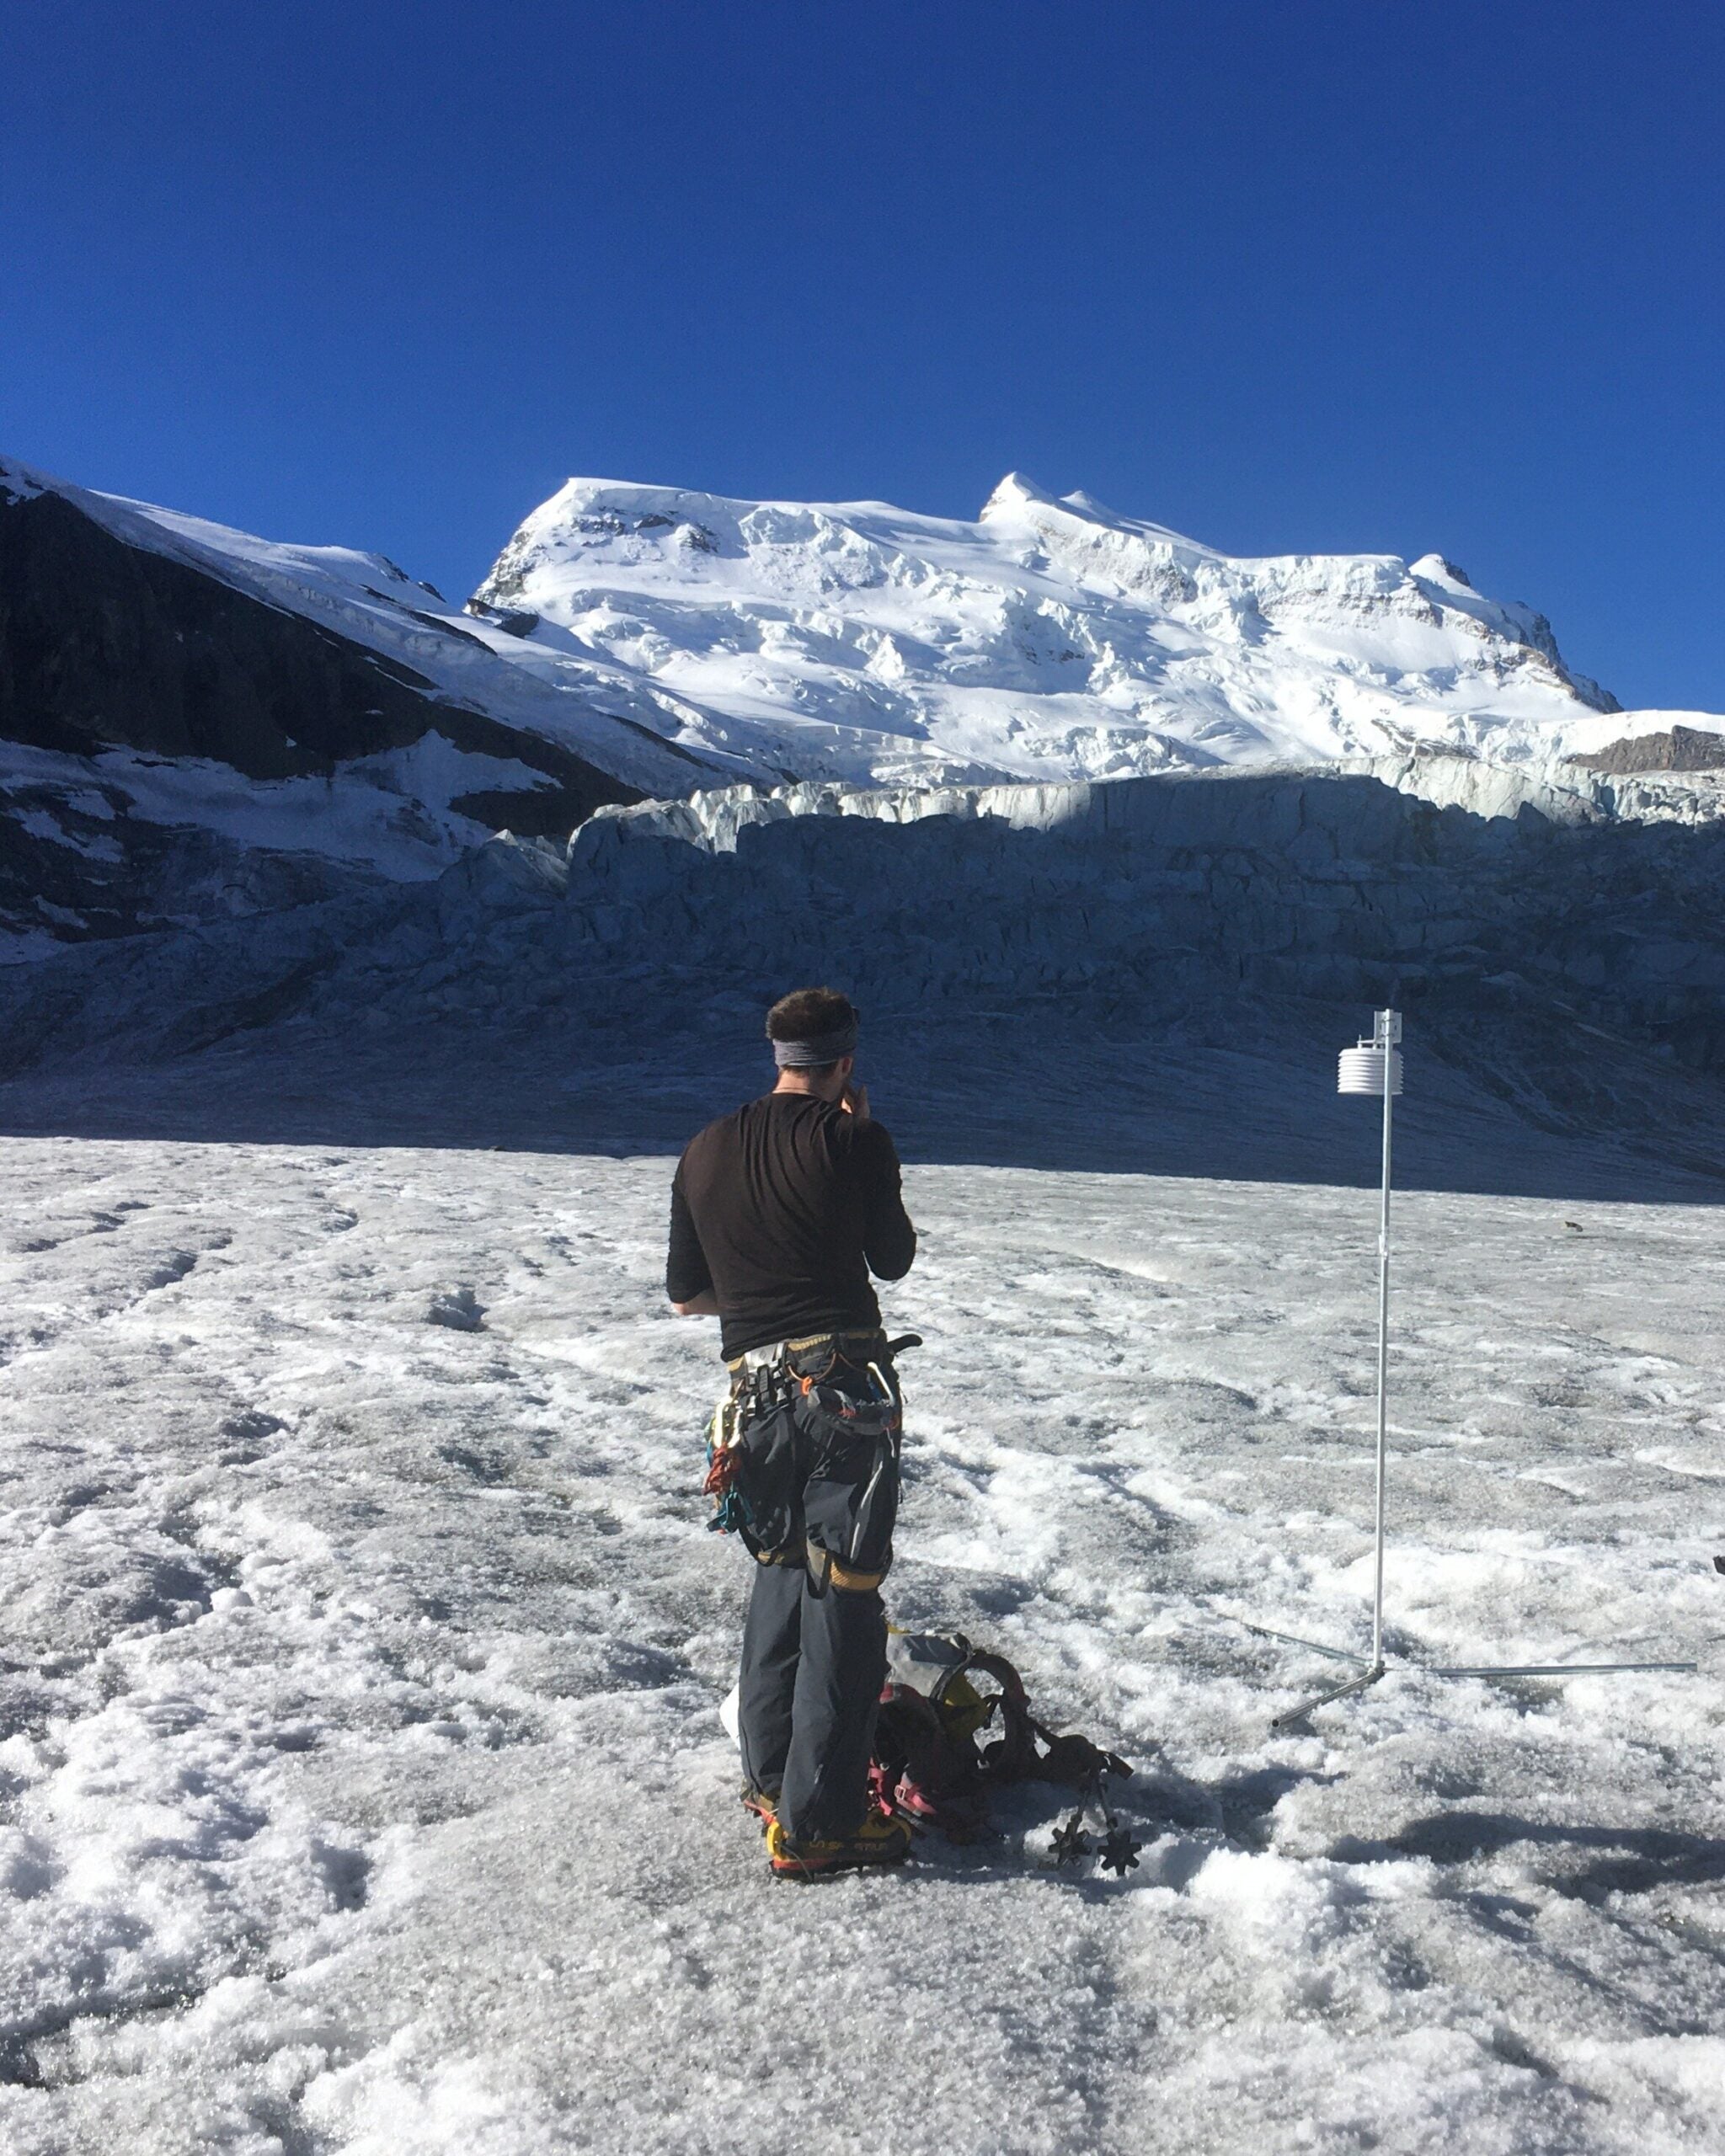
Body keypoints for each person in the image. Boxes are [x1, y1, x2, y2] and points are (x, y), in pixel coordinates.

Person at [667, 986, 918, 1878]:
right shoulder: (854, 1140)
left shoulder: (702, 1150)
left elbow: (688, 1295)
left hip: (751, 1399)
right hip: (842, 1388)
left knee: (777, 1577)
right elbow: (891, 1257)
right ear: (845, 1062)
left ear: (775, 1056)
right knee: (844, 1596)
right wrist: (860, 1133)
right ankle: (820, 1823)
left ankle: (771, 1778)